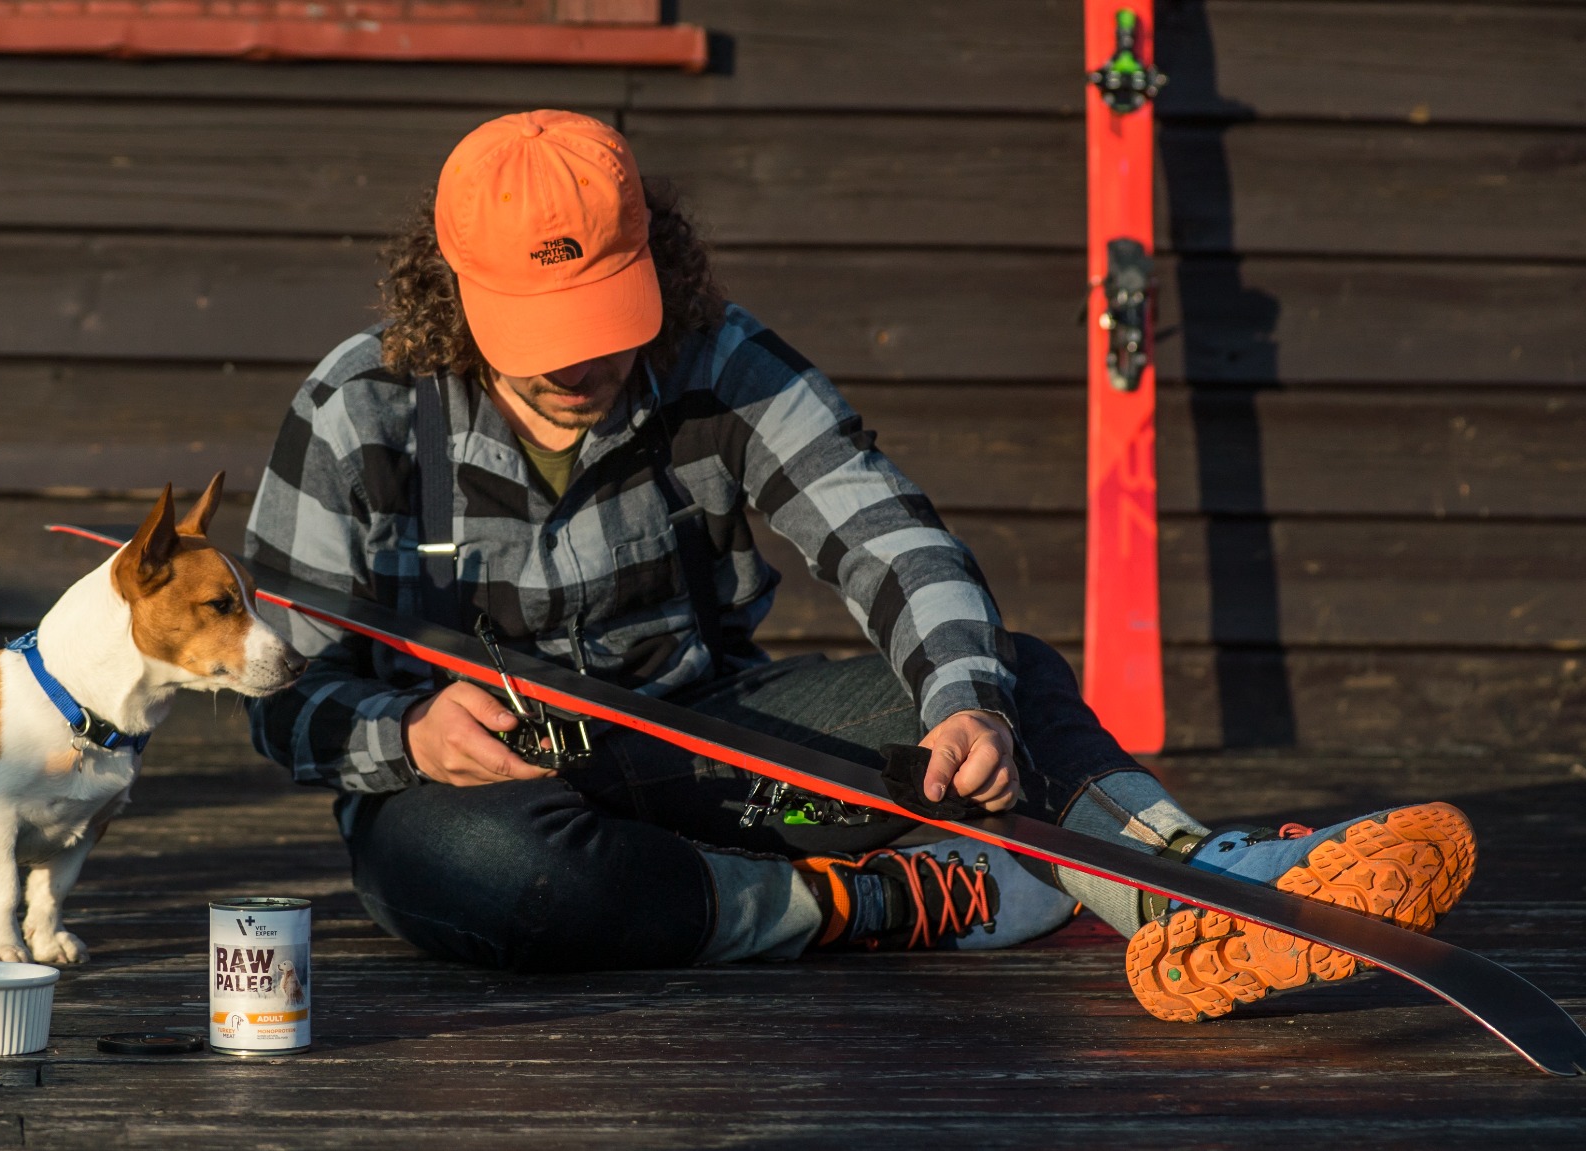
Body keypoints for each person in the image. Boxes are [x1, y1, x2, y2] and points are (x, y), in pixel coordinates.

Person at [243, 110, 1476, 1022]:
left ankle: (1185, 889)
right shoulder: (358, 409)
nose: (577, 365)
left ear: (654, 266)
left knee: (1006, 672)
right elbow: (281, 692)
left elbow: (887, 537)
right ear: (451, 291)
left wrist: (961, 700)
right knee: (476, 872)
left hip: (711, 746)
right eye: (538, 331)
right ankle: (880, 901)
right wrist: (404, 741)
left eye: (604, 322)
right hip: (482, 794)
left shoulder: (721, 358)